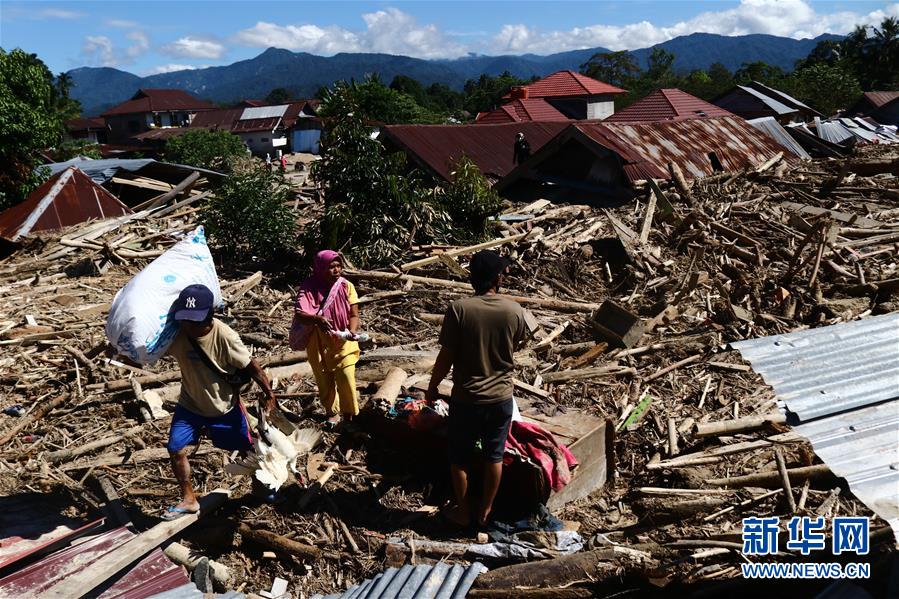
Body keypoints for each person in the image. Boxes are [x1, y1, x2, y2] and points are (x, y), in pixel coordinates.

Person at [427, 250, 527, 528]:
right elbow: (517, 343)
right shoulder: (513, 310)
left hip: (467, 398)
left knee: (459, 458)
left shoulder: (459, 309)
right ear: (496, 278)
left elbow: (446, 356)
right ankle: (485, 511)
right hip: (500, 398)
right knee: (494, 455)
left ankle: (463, 511)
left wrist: (433, 387)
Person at [164, 284, 276, 519]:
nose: (189, 326)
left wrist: (269, 393)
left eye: (195, 321)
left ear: (209, 316)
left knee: (248, 450)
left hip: (224, 407)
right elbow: (148, 351)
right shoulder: (176, 333)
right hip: (190, 405)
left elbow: (252, 366)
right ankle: (189, 498)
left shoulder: (225, 336)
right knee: (175, 448)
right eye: (186, 319)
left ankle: (261, 487)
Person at [290, 251, 361, 428]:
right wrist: (316, 319)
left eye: (338, 266)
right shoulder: (309, 287)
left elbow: (354, 314)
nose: (336, 270)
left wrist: (351, 331)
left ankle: (349, 414)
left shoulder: (346, 286)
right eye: (331, 267)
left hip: (342, 340)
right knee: (323, 377)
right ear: (320, 268)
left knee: (346, 376)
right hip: (317, 341)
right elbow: (300, 314)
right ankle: (332, 412)